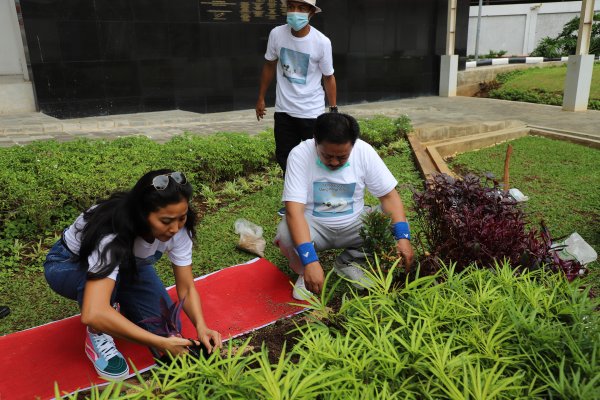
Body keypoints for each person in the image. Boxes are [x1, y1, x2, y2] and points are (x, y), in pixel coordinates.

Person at [43, 170, 222, 380]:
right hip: (69, 265)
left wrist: (201, 327)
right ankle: (97, 334)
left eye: (181, 218)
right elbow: (93, 312)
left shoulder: (180, 228)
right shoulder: (111, 232)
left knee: (166, 327)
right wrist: (161, 344)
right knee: (102, 309)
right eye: (165, 221)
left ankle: (116, 303)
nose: (174, 228)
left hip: (127, 266)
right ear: (141, 214)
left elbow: (187, 287)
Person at [274, 113, 414, 300]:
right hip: (315, 227)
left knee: (394, 222)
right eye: (327, 155)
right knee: (286, 232)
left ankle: (350, 261)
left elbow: (389, 197)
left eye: (342, 157)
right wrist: (309, 261)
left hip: (355, 224)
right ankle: (304, 272)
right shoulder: (300, 155)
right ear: (315, 141)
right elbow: (294, 211)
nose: (333, 162)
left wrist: (403, 238)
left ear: (353, 144)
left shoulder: (364, 151)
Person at [255, 0, 337, 215]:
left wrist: (334, 109)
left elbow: (329, 77)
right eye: (292, 6)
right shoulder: (277, 34)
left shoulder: (321, 42)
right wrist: (261, 98)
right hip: (284, 110)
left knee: (318, 158)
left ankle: (321, 202)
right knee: (285, 158)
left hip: (311, 111)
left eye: (301, 8)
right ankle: (294, 202)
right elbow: (269, 65)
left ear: (311, 13)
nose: (295, 12)